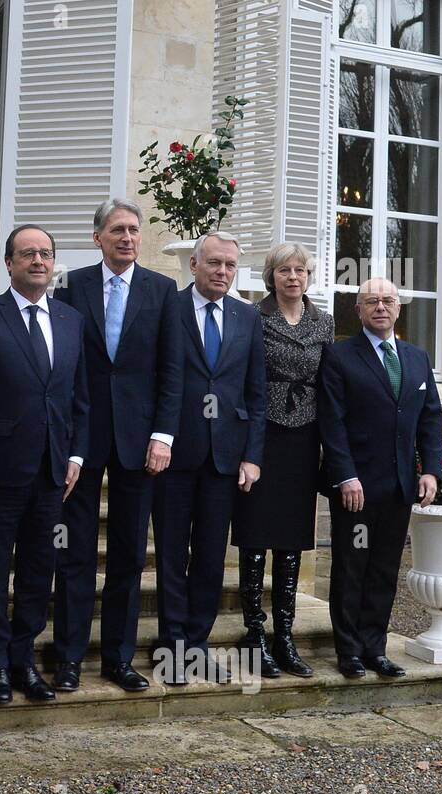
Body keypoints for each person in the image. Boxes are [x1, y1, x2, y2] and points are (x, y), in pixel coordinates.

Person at [0, 225, 89, 703]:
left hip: (53, 471)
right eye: (27, 253)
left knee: (38, 568)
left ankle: (23, 658)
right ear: (8, 263)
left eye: (46, 254)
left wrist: (75, 454)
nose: (38, 261)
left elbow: (79, 398)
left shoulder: (71, 321)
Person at [51, 199, 182, 693]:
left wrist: (163, 436)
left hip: (140, 442)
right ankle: (68, 658)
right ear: (97, 237)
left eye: (134, 230)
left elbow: (173, 371)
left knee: (129, 555)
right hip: (80, 439)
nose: (127, 238)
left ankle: (118, 659)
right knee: (75, 552)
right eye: (117, 230)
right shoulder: (71, 286)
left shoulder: (162, 290)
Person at [151, 230, 266, 685]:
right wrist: (157, 438)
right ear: (195, 265)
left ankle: (197, 647)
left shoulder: (247, 317)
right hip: (174, 452)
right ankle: (172, 648)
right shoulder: (169, 308)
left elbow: (256, 394)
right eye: (214, 263)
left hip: (226, 457)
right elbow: (158, 377)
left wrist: (252, 455)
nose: (221, 272)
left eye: (229, 266)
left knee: (211, 559)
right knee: (171, 554)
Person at [318, 276, 442, 679]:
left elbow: (430, 420)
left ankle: (375, 648)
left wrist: (430, 471)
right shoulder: (339, 357)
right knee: (352, 566)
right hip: (356, 490)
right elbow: (331, 424)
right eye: (371, 301)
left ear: (398, 308)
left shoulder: (417, 358)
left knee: (384, 570)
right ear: (358, 310)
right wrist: (345, 476)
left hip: (399, 488)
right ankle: (349, 651)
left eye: (388, 300)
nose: (381, 307)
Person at [230, 243, 334, 678]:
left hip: (304, 437)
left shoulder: (325, 322)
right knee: (255, 536)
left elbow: (331, 383)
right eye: (284, 270)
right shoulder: (253, 317)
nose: (293, 277)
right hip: (262, 433)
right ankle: (254, 632)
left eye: (301, 270)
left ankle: (285, 636)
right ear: (270, 276)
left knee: (292, 539)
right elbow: (240, 377)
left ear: (309, 277)